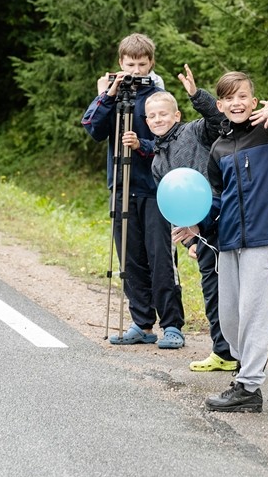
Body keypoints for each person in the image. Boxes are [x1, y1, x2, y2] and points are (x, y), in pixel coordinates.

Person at [178, 71, 268, 412]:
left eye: (242, 96)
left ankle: (248, 386)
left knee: (254, 311)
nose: (236, 103)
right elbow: (218, 198)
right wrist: (197, 226)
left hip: (263, 235)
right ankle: (246, 374)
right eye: (229, 98)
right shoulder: (219, 148)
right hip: (229, 239)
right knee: (230, 316)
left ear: (254, 101)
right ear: (221, 105)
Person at [146, 65, 268, 377]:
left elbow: (220, 119)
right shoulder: (158, 162)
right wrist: (192, 238)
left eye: (164, 114)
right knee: (217, 292)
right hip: (208, 229)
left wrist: (195, 96)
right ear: (146, 122)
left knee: (259, 288)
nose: (158, 120)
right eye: (152, 116)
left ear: (176, 116)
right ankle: (224, 351)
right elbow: (183, 206)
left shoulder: (196, 132)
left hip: (241, 220)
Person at [81, 33, 186, 349]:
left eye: (142, 64)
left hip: (155, 188)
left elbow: (171, 141)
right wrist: (106, 95)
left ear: (151, 63)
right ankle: (142, 323)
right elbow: (93, 129)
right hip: (122, 186)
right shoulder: (114, 95)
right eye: (131, 64)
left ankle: (171, 325)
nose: (137, 70)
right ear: (120, 63)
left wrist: (142, 146)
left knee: (160, 258)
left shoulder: (158, 95)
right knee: (130, 259)